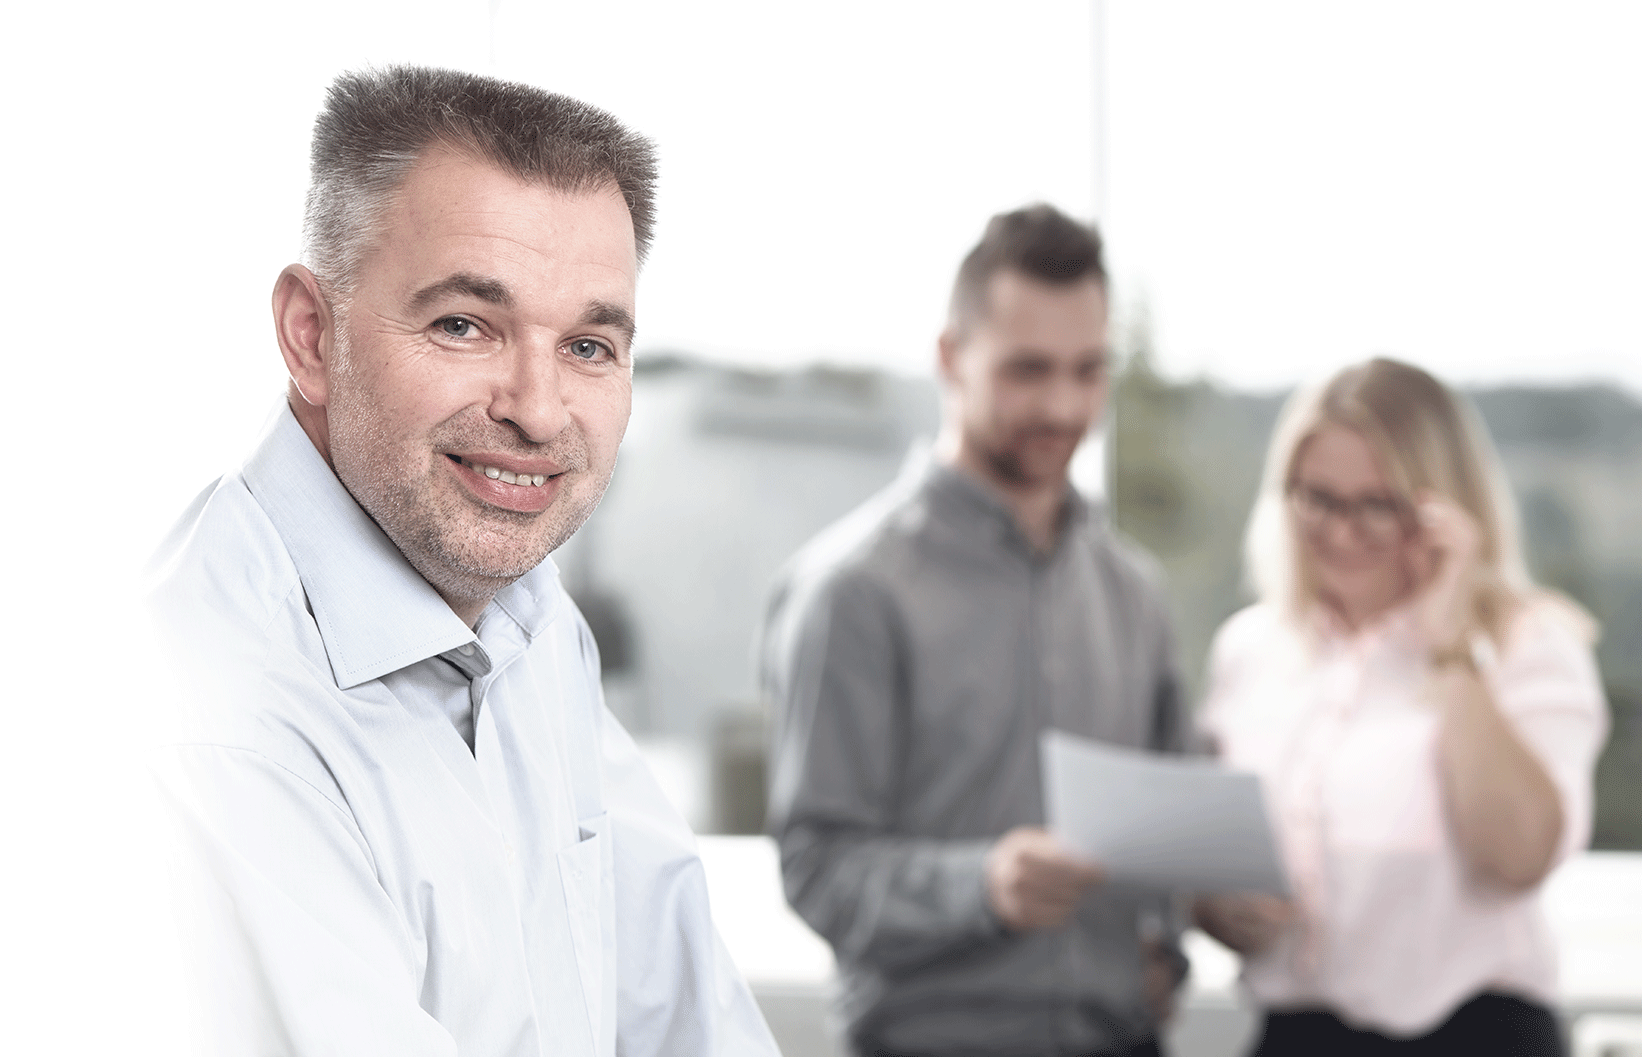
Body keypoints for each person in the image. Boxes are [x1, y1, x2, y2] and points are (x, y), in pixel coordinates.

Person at [145, 66, 779, 1057]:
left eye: (587, 345)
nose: (535, 407)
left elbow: (679, 1001)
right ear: (311, 335)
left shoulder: (529, 618)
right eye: (462, 324)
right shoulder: (214, 708)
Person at [761, 204, 1188, 1057]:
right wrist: (983, 885)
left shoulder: (1134, 591)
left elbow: (1164, 829)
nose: (1063, 404)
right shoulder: (850, 591)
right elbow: (817, 867)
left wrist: (1164, 949)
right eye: (1027, 370)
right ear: (951, 359)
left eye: (1087, 369)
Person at [1194, 358, 1609, 1057]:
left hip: (1475, 1036)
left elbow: (1517, 855)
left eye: (1376, 504)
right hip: (1294, 1035)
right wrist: (1220, 909)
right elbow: (1207, 852)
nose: (1341, 531)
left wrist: (1449, 639)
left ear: (1439, 506)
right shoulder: (1249, 649)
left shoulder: (1523, 646)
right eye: (1317, 498)